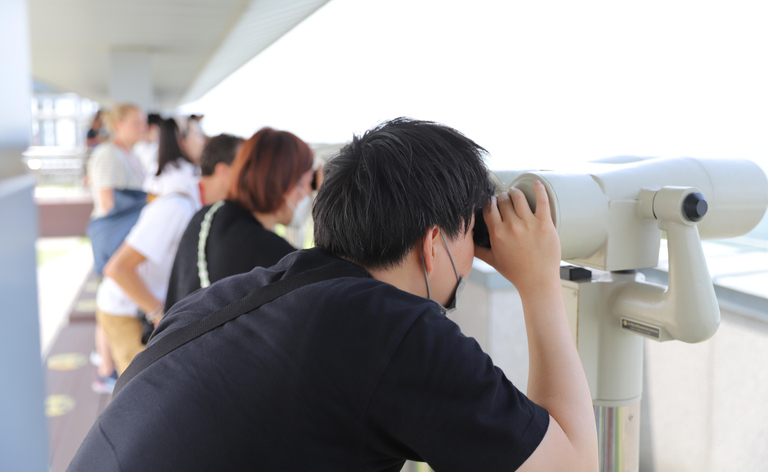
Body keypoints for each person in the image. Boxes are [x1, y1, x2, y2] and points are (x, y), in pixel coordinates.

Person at [70, 118, 598, 471]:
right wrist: (539, 282)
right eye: (471, 233)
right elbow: (571, 464)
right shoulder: (393, 329)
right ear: (434, 242)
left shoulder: (236, 298)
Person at [94, 126, 203, 375]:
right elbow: (117, 269)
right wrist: (160, 315)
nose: (203, 138)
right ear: (181, 141)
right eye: (196, 133)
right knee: (137, 396)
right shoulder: (178, 196)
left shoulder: (184, 184)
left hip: (139, 305)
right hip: (128, 310)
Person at [164, 127, 312, 311]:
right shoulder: (273, 253)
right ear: (279, 182)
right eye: (304, 183)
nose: (307, 193)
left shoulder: (206, 217)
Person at [86, 103, 148, 393]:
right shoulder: (109, 154)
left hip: (121, 235)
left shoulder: (126, 153)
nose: (142, 127)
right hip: (114, 237)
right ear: (118, 125)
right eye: (136, 122)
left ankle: (107, 366)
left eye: (143, 122)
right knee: (109, 300)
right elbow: (109, 202)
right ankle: (106, 370)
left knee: (111, 298)